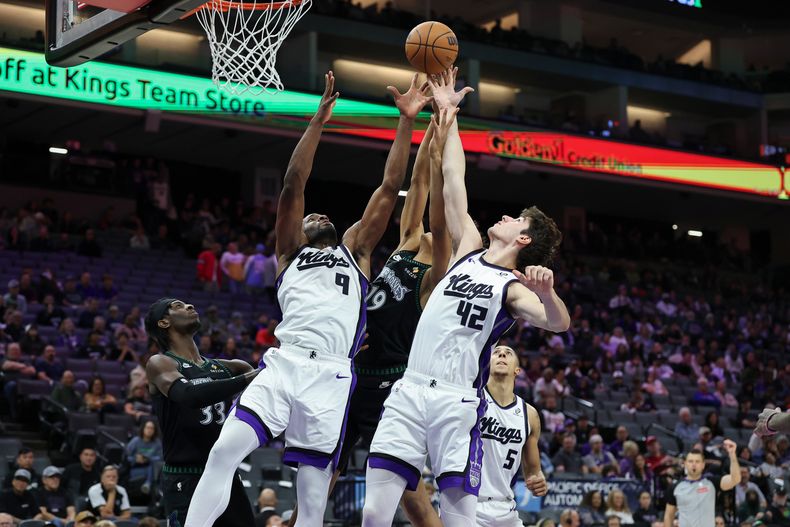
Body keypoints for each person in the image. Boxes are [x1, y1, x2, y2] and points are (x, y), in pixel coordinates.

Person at [184, 70, 431, 527]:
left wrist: (406, 121)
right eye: (310, 215)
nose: (318, 214)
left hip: (332, 375)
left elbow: (388, 187)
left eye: (323, 214)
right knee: (223, 451)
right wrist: (318, 121)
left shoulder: (356, 251)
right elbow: (294, 183)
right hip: (286, 362)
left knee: (314, 499)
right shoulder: (289, 253)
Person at [362, 68, 569, 527]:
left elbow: (557, 323)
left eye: (516, 220)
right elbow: (453, 178)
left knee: (458, 519)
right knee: (374, 512)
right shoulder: (469, 247)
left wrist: (549, 293)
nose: (506, 217)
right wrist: (449, 116)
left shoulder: (513, 287)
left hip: (456, 405)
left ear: (523, 241)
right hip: (409, 388)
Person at [298, 86, 455, 527]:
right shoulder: (405, 246)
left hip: (391, 381)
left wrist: (444, 145)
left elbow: (441, 209)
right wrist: (431, 123)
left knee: (410, 494)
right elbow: (417, 183)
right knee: (321, 476)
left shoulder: (437, 274)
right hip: (349, 375)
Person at [144, 298, 259, 527]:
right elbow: (190, 396)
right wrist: (252, 377)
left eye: (188, 304)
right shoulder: (160, 363)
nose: (189, 306)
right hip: (186, 475)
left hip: (225, 473)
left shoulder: (229, 367)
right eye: (178, 306)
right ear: (164, 322)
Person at [476, 346, 548, 527]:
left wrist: (538, 480)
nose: (501, 354)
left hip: (505, 506)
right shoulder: (472, 399)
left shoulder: (529, 414)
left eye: (508, 353)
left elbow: (533, 471)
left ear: (517, 370)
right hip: (467, 501)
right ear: (487, 364)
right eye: (496, 352)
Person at [664, 442, 741, 527]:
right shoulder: (675, 487)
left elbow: (735, 479)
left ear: (703, 465)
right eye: (690, 461)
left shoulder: (712, 482)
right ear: (685, 464)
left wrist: (732, 454)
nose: (694, 464)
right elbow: (668, 516)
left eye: (697, 461)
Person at [124, 420, 163, 494]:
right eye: (148, 428)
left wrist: (148, 459)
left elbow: (160, 457)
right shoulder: (135, 441)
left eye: (152, 428)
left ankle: (148, 485)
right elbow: (126, 457)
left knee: (153, 465)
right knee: (153, 470)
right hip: (136, 468)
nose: (149, 430)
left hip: (152, 467)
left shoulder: (157, 442)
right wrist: (135, 459)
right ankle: (151, 486)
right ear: (143, 429)